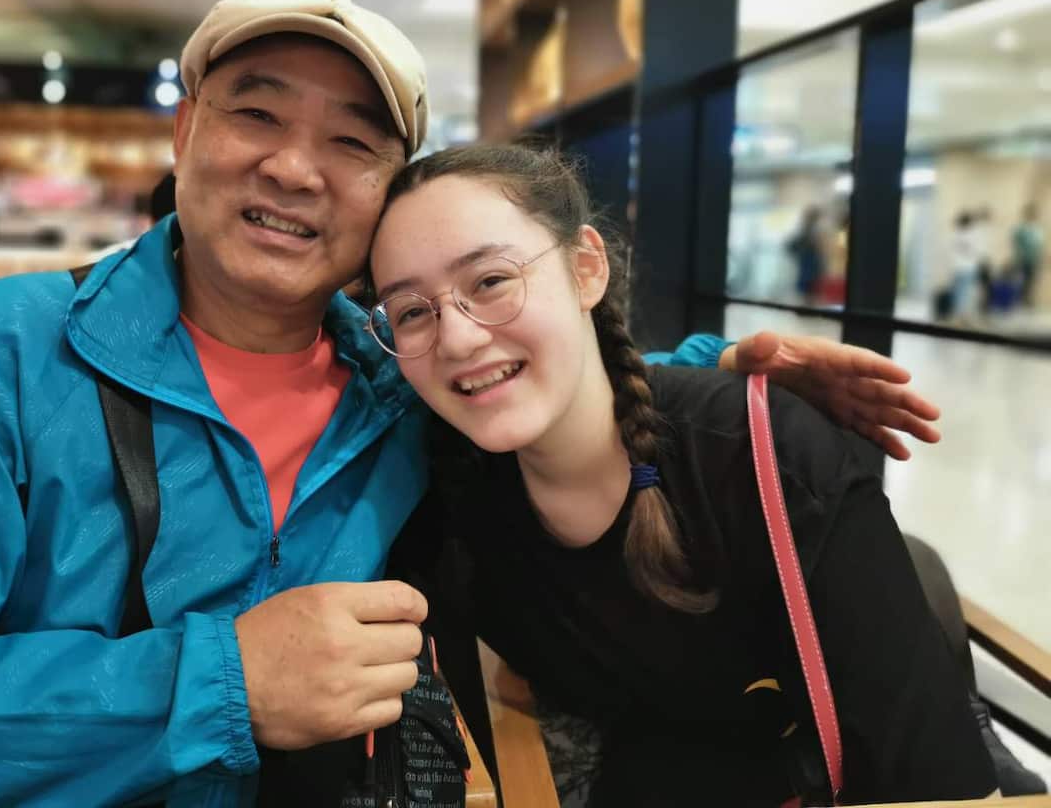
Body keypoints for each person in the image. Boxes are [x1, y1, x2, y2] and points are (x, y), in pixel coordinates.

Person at [0, 0, 941, 806]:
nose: (293, 167)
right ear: (185, 132)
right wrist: (219, 684)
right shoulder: (7, 354)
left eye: (352, 141)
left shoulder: (402, 387)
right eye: (256, 112)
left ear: (387, 193)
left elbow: (539, 375)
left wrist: (725, 373)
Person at [371, 144, 998, 806]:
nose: (457, 339)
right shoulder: (455, 495)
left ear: (586, 269)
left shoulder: (759, 456)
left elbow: (944, 786)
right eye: (411, 311)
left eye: (491, 281)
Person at [1013, 202, 1045, 307]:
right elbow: (1017, 244)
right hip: (1023, 259)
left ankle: (1028, 301)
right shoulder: (1021, 228)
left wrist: (1041, 257)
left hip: (1034, 259)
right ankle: (1020, 300)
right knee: (1022, 281)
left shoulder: (1038, 228)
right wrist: (1020, 256)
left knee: (1032, 281)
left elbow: (1040, 245)